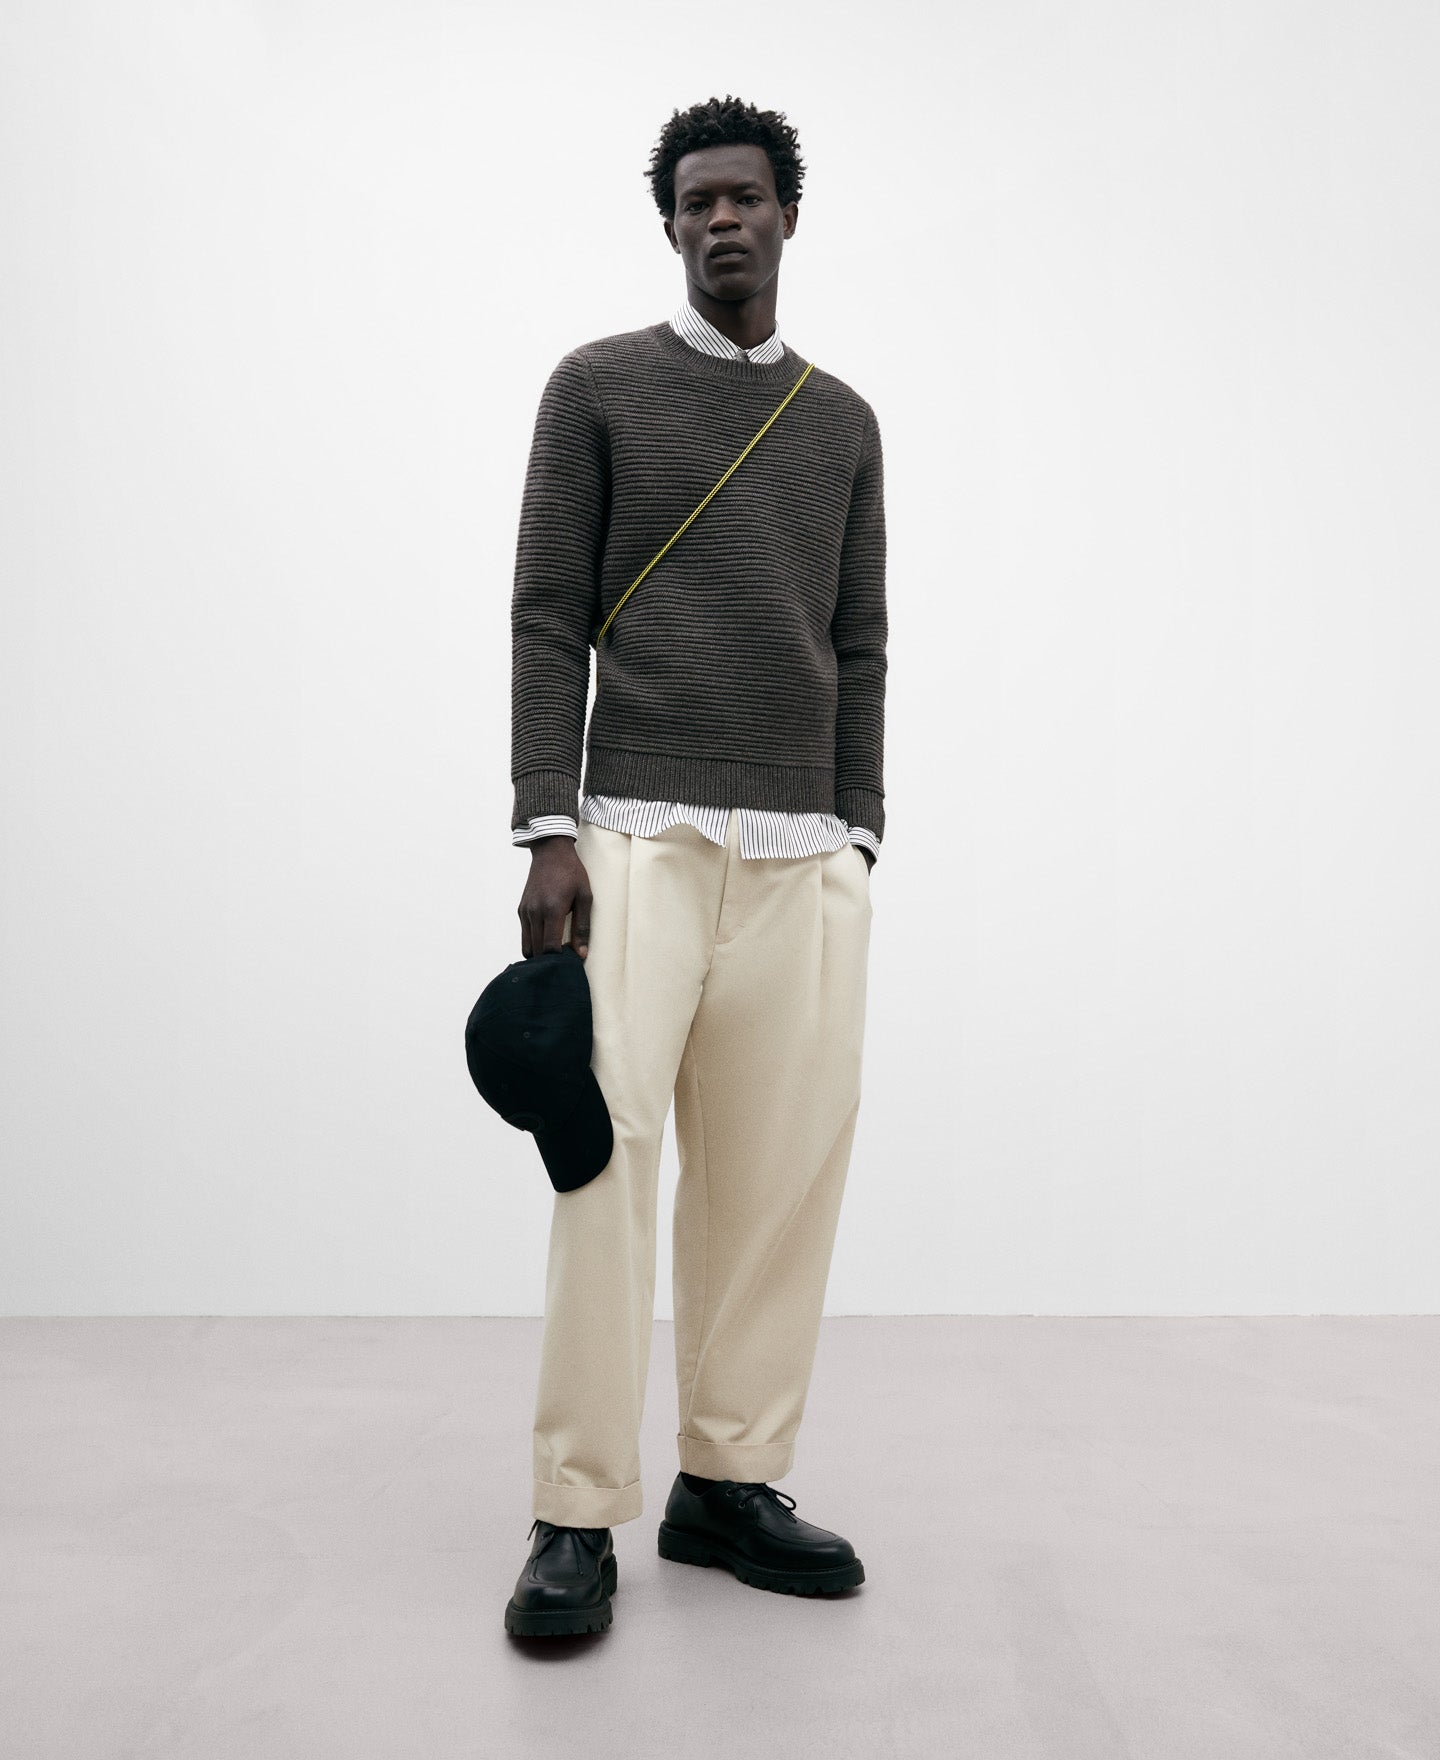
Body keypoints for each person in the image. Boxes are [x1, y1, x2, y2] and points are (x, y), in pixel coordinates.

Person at [503, 93, 887, 1638]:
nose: (722, 219)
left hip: (803, 851)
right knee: (602, 1164)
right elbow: (547, 612)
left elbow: (861, 639)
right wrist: (547, 824)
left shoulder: (844, 423)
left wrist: (859, 830)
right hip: (636, 834)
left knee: (779, 1179)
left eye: (746, 197)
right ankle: (574, 1509)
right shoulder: (597, 386)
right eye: (696, 202)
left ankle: (728, 1481)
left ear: (789, 214)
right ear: (669, 226)